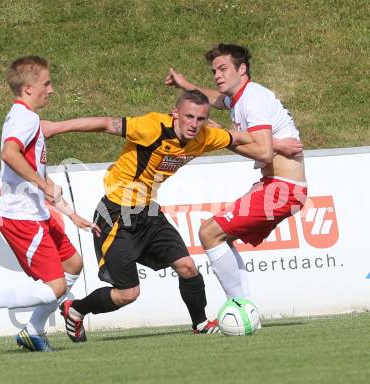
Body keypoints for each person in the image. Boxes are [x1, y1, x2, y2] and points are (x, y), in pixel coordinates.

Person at [44, 89, 272, 342]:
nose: (194, 124)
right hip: (115, 215)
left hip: (149, 212)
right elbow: (106, 123)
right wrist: (55, 127)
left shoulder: (205, 135)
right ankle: (76, 310)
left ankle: (200, 323)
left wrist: (280, 144)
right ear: (175, 113)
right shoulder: (151, 127)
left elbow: (241, 138)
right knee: (127, 293)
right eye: (189, 117)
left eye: (201, 119)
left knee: (187, 267)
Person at [0, 56, 100, 352]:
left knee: (73, 264)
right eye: (46, 84)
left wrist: (71, 215)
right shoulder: (26, 119)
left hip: (35, 212)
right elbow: (9, 153)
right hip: (21, 217)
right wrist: (42, 183)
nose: (51, 89)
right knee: (54, 288)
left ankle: (33, 331)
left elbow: (37, 177)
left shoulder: (24, 117)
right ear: (27, 88)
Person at [165, 43, 307, 300]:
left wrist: (225, 136)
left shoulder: (252, 99)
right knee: (220, 236)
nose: (217, 75)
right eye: (214, 71)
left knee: (209, 232)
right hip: (276, 186)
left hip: (282, 190)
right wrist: (185, 85)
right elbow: (218, 100)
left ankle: (240, 305)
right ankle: (245, 307)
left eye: (223, 69)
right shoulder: (241, 96)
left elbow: (263, 152)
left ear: (242, 69)